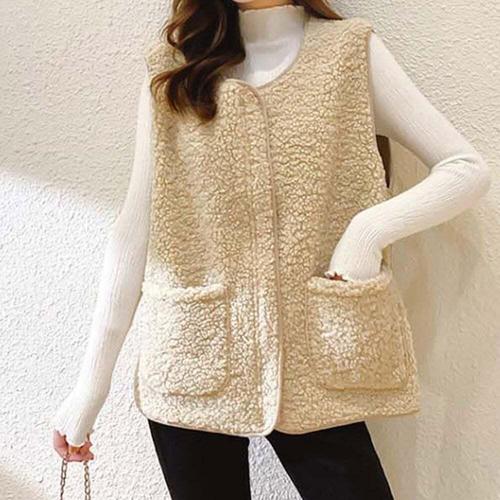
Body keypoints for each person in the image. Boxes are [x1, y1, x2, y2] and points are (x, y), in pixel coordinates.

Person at [52, 1, 492, 498]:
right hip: (193, 357)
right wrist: (91, 387)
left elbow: (464, 169)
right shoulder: (173, 71)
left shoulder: (348, 53)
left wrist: (366, 233)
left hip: (316, 356)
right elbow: (136, 231)